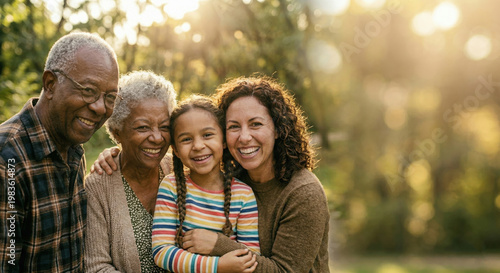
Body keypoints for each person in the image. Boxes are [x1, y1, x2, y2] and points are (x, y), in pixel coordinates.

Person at [91, 76, 330, 272]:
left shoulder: (296, 193)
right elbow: (161, 250)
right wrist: (117, 153)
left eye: (256, 124)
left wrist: (218, 247)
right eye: (234, 126)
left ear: (278, 128)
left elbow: (255, 262)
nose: (244, 137)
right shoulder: (181, 179)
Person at [0, 32, 119, 272]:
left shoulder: (73, 147)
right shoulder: (7, 161)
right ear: (50, 84)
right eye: (88, 90)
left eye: (110, 97)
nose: (99, 107)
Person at [152, 95, 259, 273]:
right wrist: (218, 266)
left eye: (207, 135)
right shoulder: (170, 186)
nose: (198, 145)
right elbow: (161, 252)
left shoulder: (243, 195)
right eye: (186, 139)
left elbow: (252, 257)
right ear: (176, 150)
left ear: (224, 140)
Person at [84, 71, 176, 272]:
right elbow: (97, 267)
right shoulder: (99, 186)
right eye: (143, 128)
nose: (157, 137)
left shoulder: (178, 170)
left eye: (164, 127)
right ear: (117, 131)